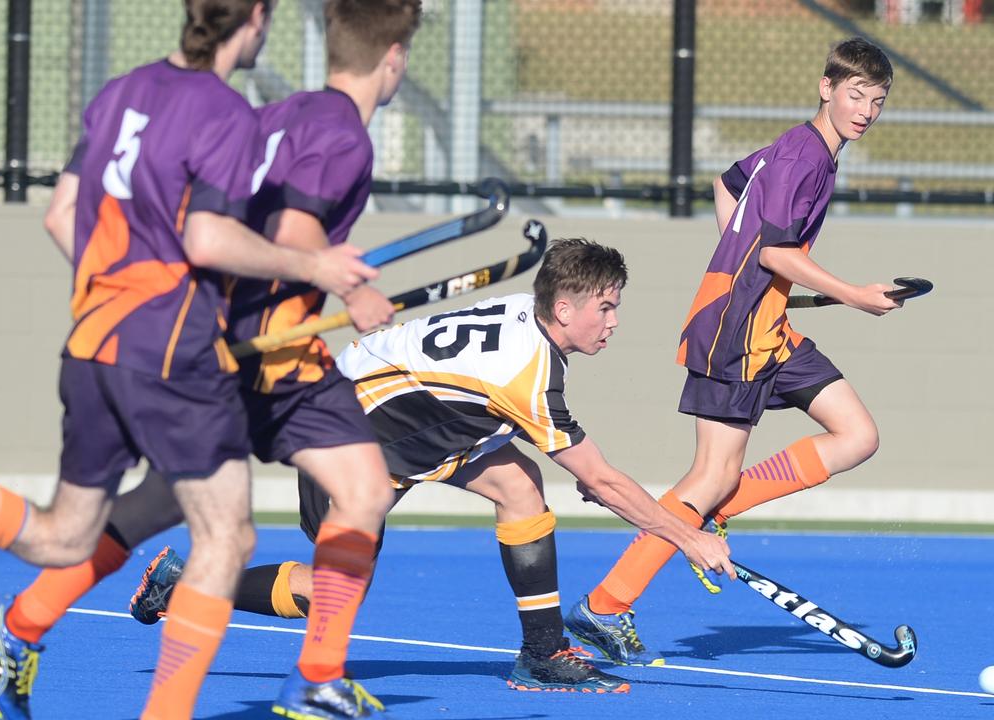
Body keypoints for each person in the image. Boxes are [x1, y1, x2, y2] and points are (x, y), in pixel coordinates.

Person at [0, 1, 378, 718]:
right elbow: (209, 241)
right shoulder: (226, 113)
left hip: (92, 343)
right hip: (171, 353)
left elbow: (61, 214)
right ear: (252, 17)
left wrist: (120, 298)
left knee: (64, 535)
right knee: (226, 536)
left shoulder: (119, 92)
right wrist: (314, 268)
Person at [130, 238, 735, 693]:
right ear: (565, 306)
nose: (614, 321)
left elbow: (507, 421)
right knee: (334, 592)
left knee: (520, 485)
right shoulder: (530, 375)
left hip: (422, 423)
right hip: (348, 436)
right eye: (605, 308)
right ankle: (184, 585)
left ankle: (543, 652)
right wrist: (687, 539)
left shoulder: (526, 320)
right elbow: (599, 476)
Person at [561, 37, 900, 667]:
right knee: (707, 476)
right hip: (736, 332)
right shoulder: (805, 157)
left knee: (856, 435)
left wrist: (738, 259)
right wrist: (850, 294)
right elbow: (774, 252)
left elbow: (728, 184)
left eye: (877, 101)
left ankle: (719, 508)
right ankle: (605, 605)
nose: (866, 111)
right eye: (857, 95)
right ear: (827, 87)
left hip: (767, 326)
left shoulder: (804, 151)